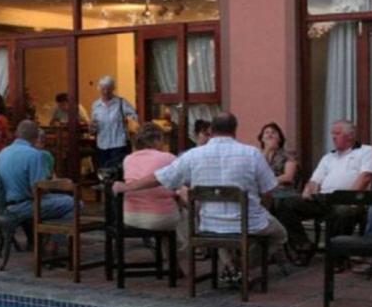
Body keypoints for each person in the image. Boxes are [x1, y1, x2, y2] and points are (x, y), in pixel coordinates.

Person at [114, 113, 287, 270]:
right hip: (248, 222)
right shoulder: (253, 154)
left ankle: (232, 267)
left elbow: (159, 177)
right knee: (279, 235)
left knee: (219, 230)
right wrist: (263, 210)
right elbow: (268, 190)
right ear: (235, 130)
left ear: (211, 130)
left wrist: (128, 187)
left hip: (209, 224)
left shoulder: (193, 155)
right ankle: (243, 266)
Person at [275, 120, 372, 260]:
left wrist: (349, 198)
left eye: (337, 133)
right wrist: (308, 190)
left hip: (350, 199)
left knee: (343, 211)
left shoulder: (366, 151)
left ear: (351, 135)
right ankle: (303, 244)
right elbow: (314, 180)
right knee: (285, 204)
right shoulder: (329, 157)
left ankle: (337, 255)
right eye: (332, 134)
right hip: (324, 198)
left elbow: (366, 177)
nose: (333, 137)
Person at [120, 123, 187, 255]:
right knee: (185, 211)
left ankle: (169, 257)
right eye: (163, 139)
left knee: (169, 206)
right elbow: (181, 183)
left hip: (130, 216)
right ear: (157, 140)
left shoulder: (127, 159)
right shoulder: (168, 158)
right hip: (160, 217)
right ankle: (186, 251)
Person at [0, 120, 74, 225]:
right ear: (36, 137)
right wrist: (60, 185)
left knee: (59, 200)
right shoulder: (34, 155)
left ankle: (40, 232)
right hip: (23, 206)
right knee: (74, 203)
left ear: (16, 134)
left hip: (5, 205)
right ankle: (53, 234)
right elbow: (39, 190)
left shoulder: (3, 152)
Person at [90, 75, 138, 171]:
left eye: (108, 89)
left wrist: (132, 123)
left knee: (117, 171)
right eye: (103, 89)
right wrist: (92, 127)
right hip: (102, 143)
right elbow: (94, 125)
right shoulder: (96, 105)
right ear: (99, 89)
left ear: (113, 89)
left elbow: (135, 116)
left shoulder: (121, 102)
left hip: (119, 142)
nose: (106, 91)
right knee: (104, 171)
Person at [258, 122, 299, 202]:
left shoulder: (289, 154)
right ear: (262, 138)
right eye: (266, 132)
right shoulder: (257, 155)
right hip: (263, 191)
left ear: (279, 138)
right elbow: (259, 172)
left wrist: (269, 181)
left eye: (273, 132)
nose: (270, 135)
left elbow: (288, 177)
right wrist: (267, 150)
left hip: (283, 191)